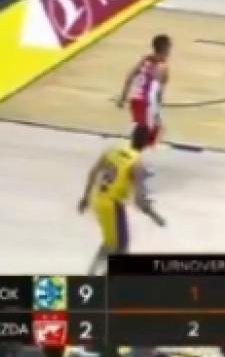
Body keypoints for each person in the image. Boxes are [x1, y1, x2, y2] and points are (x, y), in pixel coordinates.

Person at [77, 140, 165, 275]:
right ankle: (94, 276)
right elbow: (139, 200)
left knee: (116, 244)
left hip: (100, 199)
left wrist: (85, 197)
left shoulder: (113, 151)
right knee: (115, 246)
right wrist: (154, 215)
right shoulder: (137, 163)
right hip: (112, 204)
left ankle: (95, 274)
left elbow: (93, 173)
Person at [117, 35, 172, 153]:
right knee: (150, 130)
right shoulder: (163, 67)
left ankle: (133, 152)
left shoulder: (145, 60)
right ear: (166, 49)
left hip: (135, 98)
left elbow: (130, 76)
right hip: (147, 101)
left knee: (145, 129)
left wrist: (123, 97)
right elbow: (157, 92)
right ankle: (133, 155)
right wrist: (157, 109)